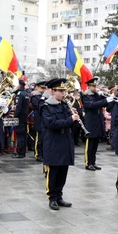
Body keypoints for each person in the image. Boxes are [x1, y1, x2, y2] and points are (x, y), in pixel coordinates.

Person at [40, 78, 76, 210]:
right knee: (53, 171)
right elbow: (51, 124)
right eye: (60, 91)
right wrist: (70, 119)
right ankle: (52, 197)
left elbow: (70, 123)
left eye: (64, 90)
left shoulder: (65, 105)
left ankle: (59, 195)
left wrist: (76, 118)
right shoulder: (46, 106)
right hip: (53, 142)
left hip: (65, 141)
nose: (63, 93)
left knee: (63, 171)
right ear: (52, 91)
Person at [83, 77, 114, 171]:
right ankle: (88, 163)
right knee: (90, 144)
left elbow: (105, 105)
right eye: (93, 86)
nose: (95, 87)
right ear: (88, 86)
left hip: (98, 121)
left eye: (95, 86)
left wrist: (106, 97)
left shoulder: (97, 95)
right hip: (91, 122)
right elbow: (91, 105)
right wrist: (104, 100)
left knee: (95, 144)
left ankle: (93, 162)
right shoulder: (85, 96)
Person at [30, 81, 47, 162]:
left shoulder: (45, 97)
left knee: (44, 139)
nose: (43, 90)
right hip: (38, 119)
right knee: (39, 139)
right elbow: (39, 105)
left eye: (45, 88)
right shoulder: (35, 96)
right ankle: (37, 154)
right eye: (42, 88)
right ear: (38, 87)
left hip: (44, 120)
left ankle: (43, 153)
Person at [13, 80, 30, 158]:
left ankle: (20, 152)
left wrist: (15, 116)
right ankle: (23, 152)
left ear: (19, 85)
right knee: (23, 136)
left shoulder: (20, 94)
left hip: (19, 118)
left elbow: (18, 107)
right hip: (25, 117)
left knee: (20, 136)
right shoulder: (26, 94)